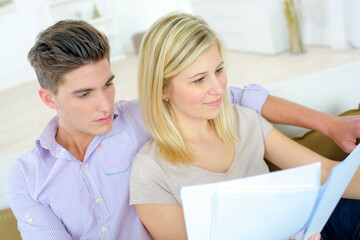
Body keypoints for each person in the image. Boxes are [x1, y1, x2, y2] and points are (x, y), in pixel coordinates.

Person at [4, 19, 358, 240]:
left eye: (108, 84)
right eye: (84, 94)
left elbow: (228, 96)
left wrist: (326, 123)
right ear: (48, 99)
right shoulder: (28, 177)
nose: (105, 104)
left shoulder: (139, 115)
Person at [129, 12, 360, 240]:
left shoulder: (243, 121)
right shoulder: (150, 172)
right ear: (162, 90)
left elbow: (327, 173)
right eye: (199, 79)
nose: (219, 88)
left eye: (218, 70)